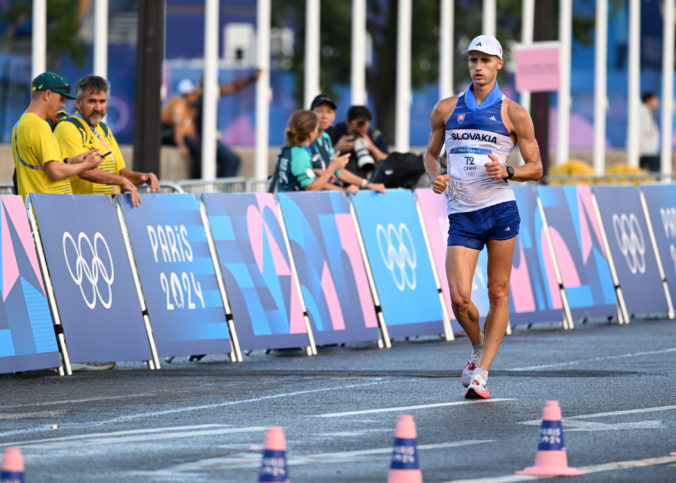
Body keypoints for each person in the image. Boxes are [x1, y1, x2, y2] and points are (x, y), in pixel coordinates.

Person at [423, 34, 542, 399]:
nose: (478, 66)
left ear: (499, 64)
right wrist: (435, 175)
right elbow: (429, 154)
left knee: (497, 290)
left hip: (499, 210)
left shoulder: (514, 113)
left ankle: (482, 373)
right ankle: (477, 348)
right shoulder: (446, 108)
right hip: (462, 213)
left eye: (485, 60)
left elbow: (536, 167)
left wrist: (508, 172)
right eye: (473, 60)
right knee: (460, 299)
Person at [55, 75, 160, 208]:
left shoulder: (104, 129)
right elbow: (83, 171)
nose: (98, 108)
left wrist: (142, 178)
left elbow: (120, 172)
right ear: (78, 103)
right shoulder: (68, 127)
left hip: (106, 210)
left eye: (102, 101)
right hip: (78, 209)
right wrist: (121, 181)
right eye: (92, 101)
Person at [12, 72, 102, 200]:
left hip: (37, 209)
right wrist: (85, 165)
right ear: (48, 94)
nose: (63, 105)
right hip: (49, 212)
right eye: (61, 99)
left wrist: (71, 161)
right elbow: (55, 172)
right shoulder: (39, 126)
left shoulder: (20, 124)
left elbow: (40, 166)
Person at [191, 69, 263, 179]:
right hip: (203, 141)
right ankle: (223, 189)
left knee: (232, 160)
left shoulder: (211, 95)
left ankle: (221, 186)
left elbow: (233, 87)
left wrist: (251, 79)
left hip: (211, 141)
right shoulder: (197, 97)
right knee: (232, 160)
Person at [310, 94, 386, 194]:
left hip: (323, 196)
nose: (324, 116)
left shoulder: (325, 138)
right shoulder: (306, 138)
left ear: (334, 116)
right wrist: (343, 190)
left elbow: (338, 171)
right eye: (319, 111)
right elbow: (310, 183)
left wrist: (368, 184)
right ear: (310, 114)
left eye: (329, 112)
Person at [276, 110, 349, 192]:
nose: (317, 132)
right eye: (317, 129)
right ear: (311, 134)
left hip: (284, 201)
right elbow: (311, 188)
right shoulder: (300, 154)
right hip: (294, 202)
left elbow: (292, 173)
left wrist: (314, 172)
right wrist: (331, 169)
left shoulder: (288, 149)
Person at [327, 105, 389, 179]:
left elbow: (388, 162)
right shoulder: (333, 132)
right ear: (347, 121)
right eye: (355, 132)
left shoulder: (375, 136)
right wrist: (337, 148)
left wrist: (372, 148)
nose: (358, 137)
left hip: (369, 178)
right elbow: (319, 160)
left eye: (362, 133)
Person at [160, 78, 200, 172]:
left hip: (182, 137)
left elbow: (189, 128)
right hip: (169, 136)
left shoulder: (188, 107)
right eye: (194, 94)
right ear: (187, 94)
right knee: (199, 151)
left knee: (200, 149)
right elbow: (176, 126)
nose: (195, 97)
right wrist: (181, 145)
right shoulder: (179, 103)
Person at [638, 91, 660, 172]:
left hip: (649, 150)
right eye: (655, 100)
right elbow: (639, 133)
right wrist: (638, 150)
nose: (657, 103)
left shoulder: (648, 113)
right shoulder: (642, 112)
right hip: (645, 151)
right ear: (648, 100)